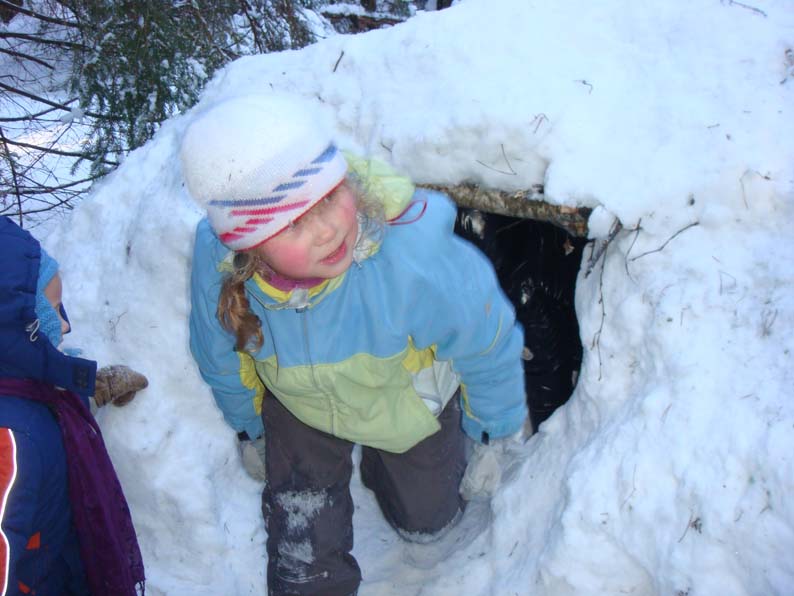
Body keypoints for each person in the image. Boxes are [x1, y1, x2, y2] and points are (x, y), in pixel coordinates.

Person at [181, 94, 529, 596]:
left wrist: (491, 432)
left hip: (404, 397)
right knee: (301, 548)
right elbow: (219, 355)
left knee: (426, 522)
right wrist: (250, 427)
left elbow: (485, 336)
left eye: (329, 197)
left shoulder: (410, 260)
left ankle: (389, 472)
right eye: (293, 222)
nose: (327, 230)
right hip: (300, 404)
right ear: (248, 244)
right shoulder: (222, 267)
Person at [0, 217, 147, 596]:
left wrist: (93, 387)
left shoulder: (29, 389)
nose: (65, 326)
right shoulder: (7, 439)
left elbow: (42, 400)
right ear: (16, 323)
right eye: (52, 308)